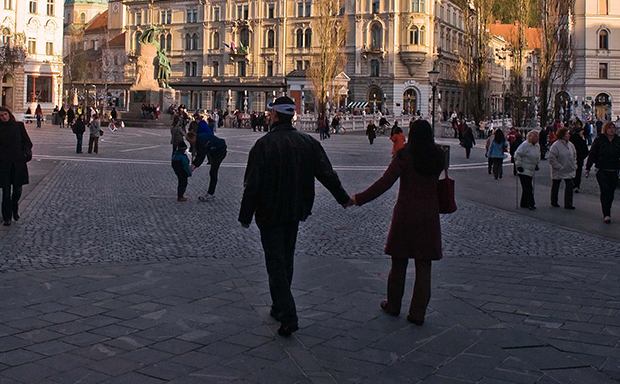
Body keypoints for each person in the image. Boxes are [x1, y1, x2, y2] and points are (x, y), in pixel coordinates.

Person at [239, 97, 352, 337]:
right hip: (295, 209)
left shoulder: (264, 145)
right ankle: (279, 305)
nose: (268, 116)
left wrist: (245, 215)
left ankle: (288, 314)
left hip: (269, 211)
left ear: (276, 115)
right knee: (286, 258)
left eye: (270, 113)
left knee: (275, 262)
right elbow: (326, 173)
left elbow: (252, 184)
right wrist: (342, 197)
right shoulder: (307, 142)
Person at [350, 120, 445, 326]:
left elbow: (384, 183)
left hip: (406, 213)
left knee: (399, 261)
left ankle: (393, 305)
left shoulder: (404, 155)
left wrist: (358, 199)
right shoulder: (438, 156)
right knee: (424, 265)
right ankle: (418, 312)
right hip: (429, 214)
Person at [0, 106, 33, 226]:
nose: (4, 117)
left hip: (18, 161)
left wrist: (26, 152)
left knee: (17, 190)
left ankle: (14, 206)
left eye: (5, 114)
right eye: (1, 116)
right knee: (5, 192)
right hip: (5, 163)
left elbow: (27, 141)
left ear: (9, 114)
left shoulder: (19, 126)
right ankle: (7, 216)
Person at [586, 121, 620, 223]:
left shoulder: (619, 142)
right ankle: (606, 213)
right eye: (609, 128)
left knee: (611, 192)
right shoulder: (599, 140)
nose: (612, 130)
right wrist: (588, 166)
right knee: (604, 190)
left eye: (613, 128)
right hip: (602, 170)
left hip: (614, 170)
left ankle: (608, 208)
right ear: (605, 129)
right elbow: (593, 153)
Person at [186, 130, 227, 202]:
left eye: (190, 141)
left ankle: (210, 194)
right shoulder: (198, 140)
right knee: (212, 172)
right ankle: (210, 193)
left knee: (213, 172)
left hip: (220, 151)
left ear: (193, 137)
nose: (190, 143)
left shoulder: (201, 141)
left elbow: (201, 156)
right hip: (213, 151)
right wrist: (194, 164)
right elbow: (199, 154)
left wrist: (194, 166)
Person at [548, 127, 577, 210]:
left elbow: (574, 155)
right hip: (559, 169)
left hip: (569, 168)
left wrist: (574, 165)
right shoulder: (555, 146)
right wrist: (559, 167)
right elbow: (551, 158)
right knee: (556, 184)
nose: (569, 135)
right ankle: (554, 201)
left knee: (569, 185)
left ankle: (568, 203)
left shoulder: (571, 145)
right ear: (562, 135)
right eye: (567, 133)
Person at [514, 130, 541, 210]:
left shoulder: (537, 146)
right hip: (523, 169)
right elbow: (517, 155)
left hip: (531, 168)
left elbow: (537, 156)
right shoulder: (525, 145)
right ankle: (531, 203)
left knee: (526, 187)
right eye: (536, 137)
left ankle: (524, 203)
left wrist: (536, 164)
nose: (537, 138)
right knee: (528, 187)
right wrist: (518, 165)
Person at [570, 125, 589, 193]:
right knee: (578, 172)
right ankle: (576, 185)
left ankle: (572, 184)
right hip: (579, 158)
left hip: (572, 158)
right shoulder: (581, 140)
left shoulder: (571, 139)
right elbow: (585, 150)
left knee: (572, 171)